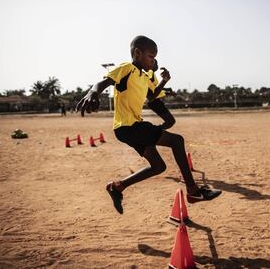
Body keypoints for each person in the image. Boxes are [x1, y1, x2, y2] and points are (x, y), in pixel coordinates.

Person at [76, 35, 221, 214]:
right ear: (137, 53)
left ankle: (117, 187)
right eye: (151, 56)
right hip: (128, 127)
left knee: (159, 167)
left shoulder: (144, 77)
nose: (153, 61)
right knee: (177, 141)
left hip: (131, 129)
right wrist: (93, 92)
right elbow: (103, 82)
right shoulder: (126, 68)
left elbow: (152, 97)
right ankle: (193, 191)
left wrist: (164, 82)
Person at [146, 59, 176, 130]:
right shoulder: (149, 73)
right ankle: (153, 132)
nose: (157, 66)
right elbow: (153, 93)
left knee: (170, 121)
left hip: (154, 101)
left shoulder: (152, 74)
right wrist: (164, 80)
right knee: (170, 121)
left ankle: (155, 132)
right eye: (155, 64)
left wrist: (168, 92)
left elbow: (156, 89)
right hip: (154, 101)